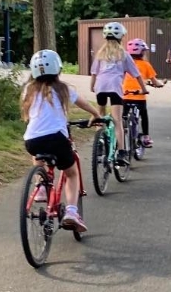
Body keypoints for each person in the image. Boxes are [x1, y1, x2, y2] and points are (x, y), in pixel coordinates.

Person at [22, 49, 102, 232]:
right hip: (57, 138)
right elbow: (83, 103)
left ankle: (40, 186)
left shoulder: (28, 89)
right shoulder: (63, 88)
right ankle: (72, 212)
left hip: (32, 139)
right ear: (58, 68)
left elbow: (29, 116)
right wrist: (96, 114)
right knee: (71, 172)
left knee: (38, 155)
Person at [90, 22, 148, 165]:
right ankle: (121, 152)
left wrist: (92, 87)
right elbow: (136, 74)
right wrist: (144, 88)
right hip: (115, 87)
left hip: (101, 87)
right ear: (121, 37)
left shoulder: (100, 53)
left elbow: (94, 73)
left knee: (100, 116)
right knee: (117, 120)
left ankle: (99, 145)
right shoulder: (124, 54)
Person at [122, 38, 164, 148]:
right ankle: (146, 137)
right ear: (141, 52)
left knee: (123, 117)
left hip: (125, 95)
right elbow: (155, 81)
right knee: (144, 115)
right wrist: (160, 84)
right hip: (139, 96)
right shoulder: (146, 64)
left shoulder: (124, 63)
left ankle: (121, 137)